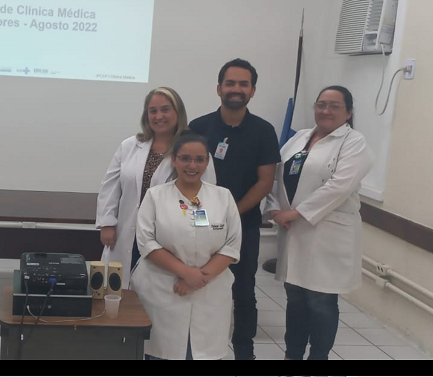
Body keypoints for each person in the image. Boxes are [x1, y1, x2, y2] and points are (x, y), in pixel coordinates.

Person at [264, 85, 374, 360]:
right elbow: (278, 174)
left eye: (334, 106)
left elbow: (340, 187)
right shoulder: (300, 137)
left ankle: (319, 357)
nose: (325, 110)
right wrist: (276, 209)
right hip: (294, 230)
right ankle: (293, 354)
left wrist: (296, 213)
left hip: (327, 233)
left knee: (321, 301)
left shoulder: (354, 142)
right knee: (295, 297)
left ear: (348, 112)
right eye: (321, 104)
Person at [187, 59, 281, 360]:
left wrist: (231, 215)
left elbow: (265, 182)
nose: (236, 89)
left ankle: (244, 354)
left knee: (242, 293)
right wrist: (207, 216)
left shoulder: (264, 131)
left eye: (243, 84)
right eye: (230, 83)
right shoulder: (199, 127)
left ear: (252, 91)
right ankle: (193, 349)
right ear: (219, 88)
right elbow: (186, 177)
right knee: (197, 283)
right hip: (199, 221)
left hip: (244, 225)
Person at [131, 133, 242, 360]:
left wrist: (197, 279)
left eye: (199, 159)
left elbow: (231, 245)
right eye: (185, 159)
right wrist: (186, 273)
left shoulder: (223, 197)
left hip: (209, 292)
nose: (192, 165)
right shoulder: (155, 196)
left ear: (207, 162)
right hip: (162, 291)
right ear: (174, 160)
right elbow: (146, 242)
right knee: (161, 354)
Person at [96, 87, 193, 288]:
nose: (159, 116)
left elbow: (204, 197)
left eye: (165, 109)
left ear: (178, 112)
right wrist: (107, 222)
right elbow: (110, 186)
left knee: (155, 291)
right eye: (153, 110)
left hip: (167, 236)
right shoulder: (130, 145)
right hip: (126, 231)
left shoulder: (191, 149)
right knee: (118, 289)